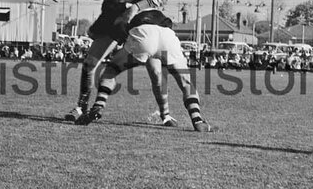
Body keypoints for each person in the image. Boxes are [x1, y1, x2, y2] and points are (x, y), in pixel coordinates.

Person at [65, 0, 168, 123]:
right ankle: (81, 107)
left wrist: (135, 7)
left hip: (141, 20)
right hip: (114, 17)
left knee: (155, 72)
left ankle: (165, 114)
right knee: (90, 62)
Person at [79, 9, 214, 132]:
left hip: (143, 35)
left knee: (109, 73)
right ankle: (196, 119)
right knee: (186, 83)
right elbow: (155, 70)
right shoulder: (156, 9)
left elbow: (113, 34)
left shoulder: (126, 11)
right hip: (167, 37)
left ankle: (98, 106)